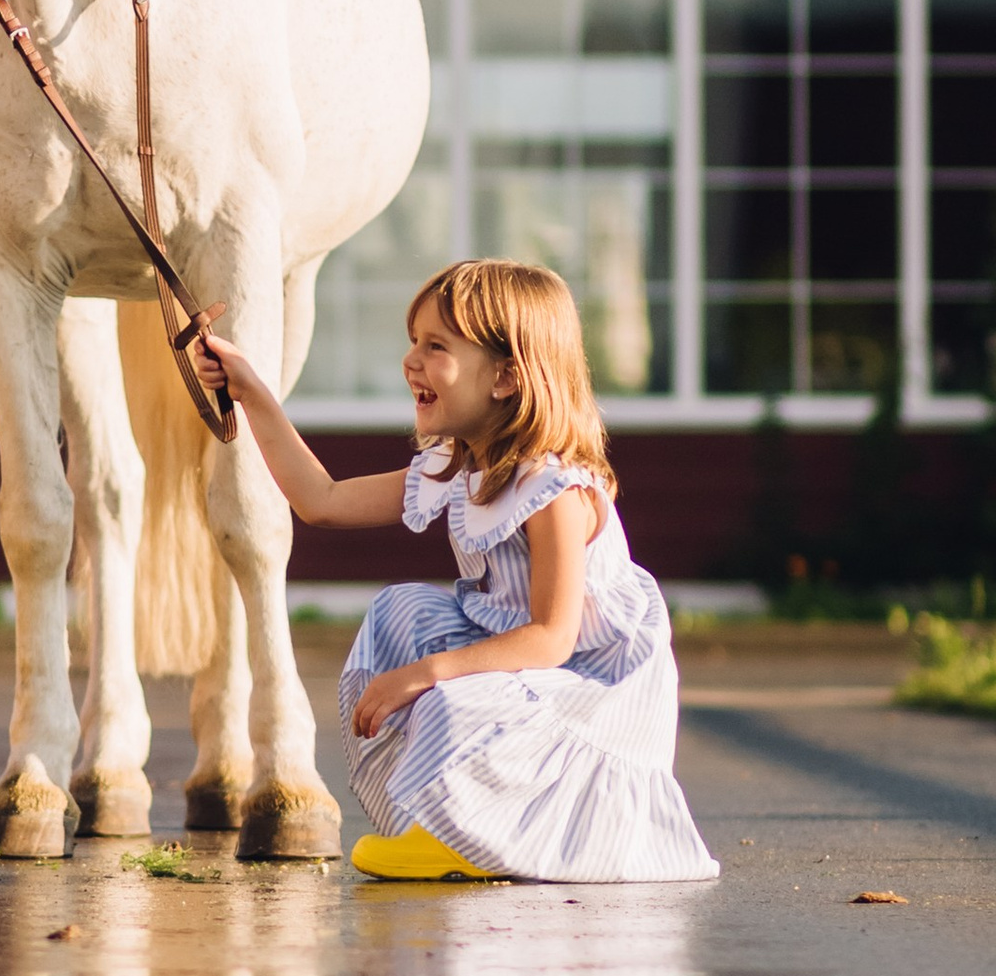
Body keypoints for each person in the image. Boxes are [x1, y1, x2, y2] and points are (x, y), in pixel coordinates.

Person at [200, 258, 718, 884]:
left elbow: (552, 638)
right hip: (523, 668)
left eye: (435, 347)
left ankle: (465, 836)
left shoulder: (554, 491)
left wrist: (424, 675)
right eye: (413, 341)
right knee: (401, 612)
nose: (410, 361)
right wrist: (251, 392)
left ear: (505, 376)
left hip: (589, 691)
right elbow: (322, 500)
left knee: (450, 695)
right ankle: (442, 819)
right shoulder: (457, 467)